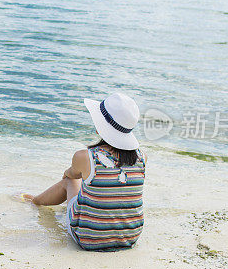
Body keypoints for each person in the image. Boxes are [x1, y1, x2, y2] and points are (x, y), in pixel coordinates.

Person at [26, 93, 146, 251]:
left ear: (99, 127)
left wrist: (67, 174)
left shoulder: (85, 156)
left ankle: (35, 201)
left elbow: (71, 175)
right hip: (130, 238)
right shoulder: (142, 157)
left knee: (69, 182)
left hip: (89, 239)